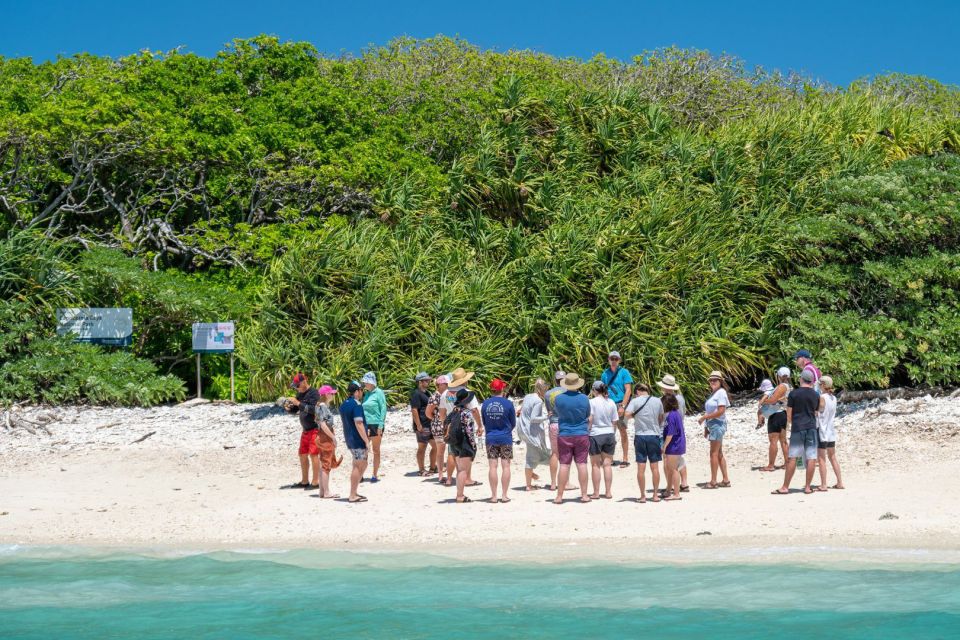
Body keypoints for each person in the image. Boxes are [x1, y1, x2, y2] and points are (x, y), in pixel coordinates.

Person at [773, 369, 820, 495]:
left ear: (801, 379)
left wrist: (793, 424)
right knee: (811, 458)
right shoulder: (816, 395)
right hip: (811, 427)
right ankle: (808, 487)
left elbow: (789, 414)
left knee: (792, 457)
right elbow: (816, 411)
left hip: (798, 427)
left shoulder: (794, 394)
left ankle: (785, 487)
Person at [440, 368, 484, 488]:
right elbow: (474, 410)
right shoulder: (467, 393)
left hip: (451, 425)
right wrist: (480, 425)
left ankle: (449, 479)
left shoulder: (445, 394)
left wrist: (446, 426)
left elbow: (442, 413)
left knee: (452, 452)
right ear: (465, 380)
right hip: (464, 426)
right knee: (467, 452)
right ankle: (467, 479)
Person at [553, 372, 592, 504]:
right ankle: (584, 495)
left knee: (564, 465)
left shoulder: (558, 398)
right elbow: (587, 415)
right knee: (582, 464)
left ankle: (559, 496)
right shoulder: (584, 398)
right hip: (581, 433)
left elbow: (557, 413)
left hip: (564, 433)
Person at [626, 384, 664, 503]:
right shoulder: (657, 400)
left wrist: (635, 416)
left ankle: (642, 496)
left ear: (637, 391)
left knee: (641, 468)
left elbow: (626, 414)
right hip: (653, 435)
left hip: (640, 436)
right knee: (655, 467)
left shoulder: (635, 401)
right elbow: (661, 417)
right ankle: (655, 495)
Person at [283, 372, 321, 490]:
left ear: (304, 382)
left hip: (315, 428)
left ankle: (315, 482)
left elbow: (314, 410)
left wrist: (298, 403)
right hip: (305, 430)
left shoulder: (314, 393)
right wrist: (289, 408)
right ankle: (304, 481)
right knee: (302, 454)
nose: (296, 388)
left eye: (297, 385)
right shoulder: (300, 394)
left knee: (314, 455)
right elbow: (296, 409)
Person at [481, 378, 516, 503]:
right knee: (506, 466)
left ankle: (494, 496)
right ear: (502, 389)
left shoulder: (485, 404)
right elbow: (513, 423)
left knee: (492, 466)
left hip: (491, 437)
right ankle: (504, 495)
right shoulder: (508, 404)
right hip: (505, 437)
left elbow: (484, 422)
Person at [447, 388, 483, 503]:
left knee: (460, 470)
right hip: (464, 443)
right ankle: (460, 496)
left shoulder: (454, 411)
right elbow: (469, 432)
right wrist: (473, 446)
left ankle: (459, 494)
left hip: (454, 443)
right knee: (463, 470)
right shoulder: (467, 413)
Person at [698, 371, 731, 489]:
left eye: (715, 380)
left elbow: (721, 411)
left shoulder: (721, 393)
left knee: (713, 453)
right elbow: (711, 411)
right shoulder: (714, 393)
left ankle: (713, 481)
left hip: (717, 425)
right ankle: (725, 480)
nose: (712, 382)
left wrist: (704, 418)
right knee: (719, 453)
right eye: (711, 380)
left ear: (720, 381)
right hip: (713, 425)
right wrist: (706, 427)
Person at [657, 374, 689, 493]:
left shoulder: (664, 400)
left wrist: (664, 444)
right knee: (679, 459)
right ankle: (684, 483)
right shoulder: (680, 398)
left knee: (668, 461)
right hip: (679, 431)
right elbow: (683, 414)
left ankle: (670, 486)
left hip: (668, 431)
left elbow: (661, 417)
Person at [601, 351, 634, 467]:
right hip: (609, 404)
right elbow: (603, 390)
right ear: (608, 359)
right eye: (612, 358)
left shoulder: (624, 372)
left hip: (621, 404)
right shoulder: (604, 374)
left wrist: (623, 406)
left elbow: (628, 390)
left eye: (616, 359)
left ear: (619, 360)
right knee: (610, 432)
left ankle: (625, 459)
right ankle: (610, 458)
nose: (614, 360)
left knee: (623, 431)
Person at [340, 381, 371, 503]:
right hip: (357, 440)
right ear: (357, 391)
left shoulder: (344, 404)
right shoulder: (357, 405)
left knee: (359, 465)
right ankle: (352, 495)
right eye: (361, 390)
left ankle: (354, 492)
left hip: (349, 439)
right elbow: (359, 424)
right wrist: (366, 441)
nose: (362, 392)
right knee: (360, 465)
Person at [518, 379, 551, 490]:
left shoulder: (528, 396)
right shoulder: (538, 401)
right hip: (530, 431)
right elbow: (534, 419)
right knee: (532, 457)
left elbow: (522, 410)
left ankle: (530, 475)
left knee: (536, 455)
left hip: (522, 429)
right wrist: (547, 416)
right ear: (543, 390)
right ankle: (528, 485)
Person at [757, 367, 792, 472]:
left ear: (779, 376)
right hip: (783, 414)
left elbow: (773, 400)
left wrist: (763, 402)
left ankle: (771, 465)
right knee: (783, 441)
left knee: (773, 441)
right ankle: (787, 463)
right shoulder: (790, 386)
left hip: (776, 414)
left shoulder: (782, 386)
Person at [588, 381, 618, 499]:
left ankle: (596, 493)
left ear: (594, 390)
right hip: (609, 433)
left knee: (595, 465)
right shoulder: (611, 402)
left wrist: (587, 430)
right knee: (607, 465)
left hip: (596, 434)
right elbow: (614, 420)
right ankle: (608, 492)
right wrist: (612, 432)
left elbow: (590, 419)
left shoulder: (592, 402)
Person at [312, 384, 343, 498]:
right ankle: (326, 492)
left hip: (322, 435)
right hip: (325, 436)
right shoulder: (323, 406)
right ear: (326, 394)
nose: (333, 395)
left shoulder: (319, 405)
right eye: (332, 393)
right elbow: (323, 424)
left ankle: (322, 491)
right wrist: (333, 437)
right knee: (326, 465)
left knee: (323, 464)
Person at [816, 376, 844, 490]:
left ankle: (823, 485)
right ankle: (840, 482)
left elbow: (819, 410)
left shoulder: (822, 397)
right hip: (831, 431)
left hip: (822, 430)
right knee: (833, 457)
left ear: (823, 385)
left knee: (821, 458)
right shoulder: (834, 398)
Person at [543, 370, 568, 491]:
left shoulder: (547, 394)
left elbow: (549, 411)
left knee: (555, 453)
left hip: (553, 424)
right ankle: (565, 483)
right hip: (565, 424)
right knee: (566, 454)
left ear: (555, 380)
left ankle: (553, 483)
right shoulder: (568, 392)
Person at [361, 372, 387, 483]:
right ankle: (360, 474)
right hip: (365, 425)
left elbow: (383, 408)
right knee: (364, 450)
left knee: (376, 451)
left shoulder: (379, 392)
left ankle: (374, 474)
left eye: (365, 382)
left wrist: (381, 425)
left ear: (371, 382)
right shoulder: (366, 394)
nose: (364, 384)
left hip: (376, 424)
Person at [410, 372, 437, 476]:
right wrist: (418, 425)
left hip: (429, 424)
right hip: (422, 425)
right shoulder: (416, 393)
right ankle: (421, 470)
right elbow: (414, 410)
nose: (428, 382)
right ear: (420, 382)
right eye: (426, 380)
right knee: (422, 447)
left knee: (435, 446)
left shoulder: (426, 393)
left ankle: (432, 467)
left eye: (429, 380)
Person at [661, 393, 686, 501]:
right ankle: (668, 490)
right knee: (671, 469)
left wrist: (664, 446)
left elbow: (670, 434)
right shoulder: (676, 413)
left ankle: (676, 493)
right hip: (678, 444)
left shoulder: (671, 415)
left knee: (674, 469)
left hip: (674, 445)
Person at [425, 375, 450, 484]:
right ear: (439, 385)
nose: (448, 385)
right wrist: (437, 420)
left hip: (447, 425)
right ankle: (440, 475)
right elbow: (428, 413)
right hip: (438, 426)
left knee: (451, 450)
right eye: (446, 384)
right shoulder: (435, 397)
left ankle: (447, 473)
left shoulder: (448, 395)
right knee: (441, 451)